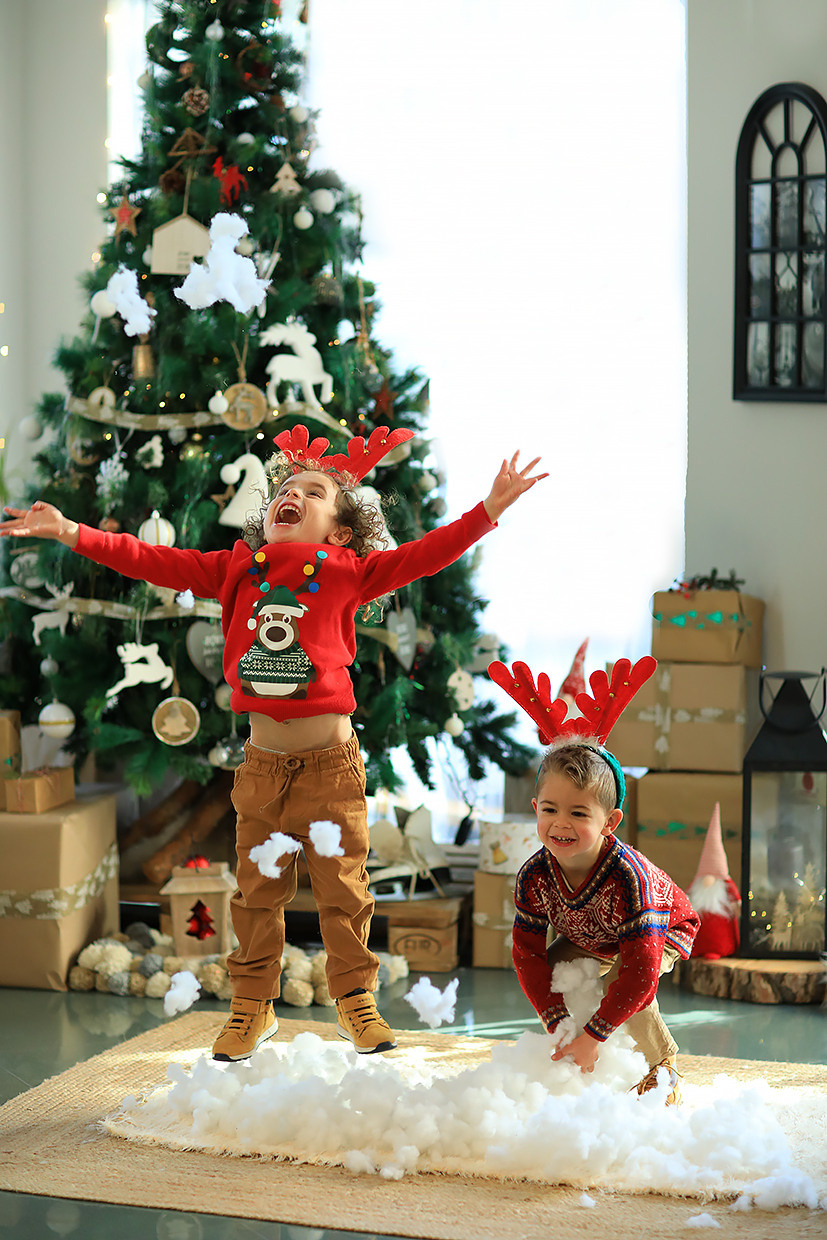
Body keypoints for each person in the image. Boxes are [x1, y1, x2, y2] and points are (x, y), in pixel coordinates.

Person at [2, 424, 547, 1062]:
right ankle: (251, 1008)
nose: (293, 493)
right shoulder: (238, 567)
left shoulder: (348, 570)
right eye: (287, 487)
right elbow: (149, 559)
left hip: (331, 767)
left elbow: (423, 555)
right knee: (258, 893)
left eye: (313, 491)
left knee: (344, 889)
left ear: (338, 531)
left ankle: (355, 1003)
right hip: (263, 766)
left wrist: (487, 511)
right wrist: (71, 532)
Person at [488, 657, 699, 1105]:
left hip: (661, 928)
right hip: (593, 934)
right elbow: (526, 954)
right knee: (555, 966)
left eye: (579, 813)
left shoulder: (630, 879)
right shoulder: (533, 875)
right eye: (550, 809)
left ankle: (664, 1067)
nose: (560, 824)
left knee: (621, 980)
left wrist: (595, 1034)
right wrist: (558, 1023)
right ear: (536, 807)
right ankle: (577, 1058)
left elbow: (642, 972)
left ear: (610, 822)